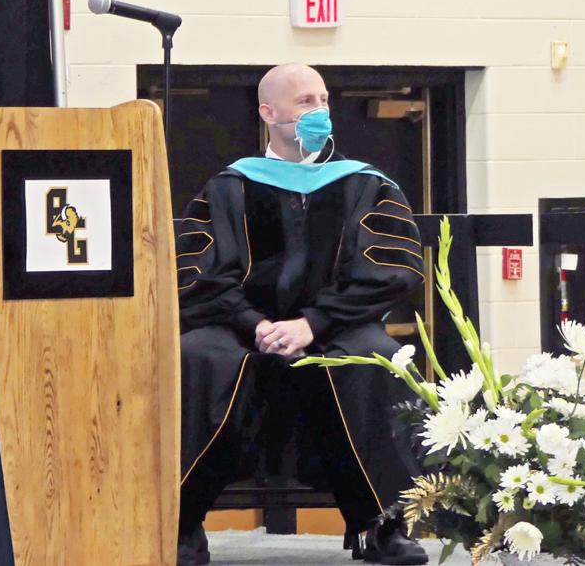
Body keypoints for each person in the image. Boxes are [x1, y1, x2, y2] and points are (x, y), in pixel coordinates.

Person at [175, 64, 429, 566]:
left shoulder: (365, 184)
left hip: (335, 327)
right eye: (305, 103)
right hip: (244, 328)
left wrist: (313, 322)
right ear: (269, 113)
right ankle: (184, 520)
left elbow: (392, 272)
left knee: (377, 357)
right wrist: (256, 324)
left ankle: (383, 524)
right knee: (196, 355)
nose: (319, 112)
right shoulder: (229, 186)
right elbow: (198, 274)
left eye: (323, 100)